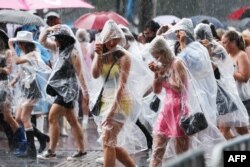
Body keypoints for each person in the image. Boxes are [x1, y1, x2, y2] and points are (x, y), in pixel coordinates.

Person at [37, 24, 89, 160]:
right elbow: (42, 41)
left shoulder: (73, 53)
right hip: (60, 90)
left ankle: (51, 151)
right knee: (72, 121)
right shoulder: (58, 49)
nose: (55, 41)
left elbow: (80, 74)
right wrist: (48, 30)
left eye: (58, 38)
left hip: (67, 91)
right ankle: (82, 150)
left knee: (52, 117)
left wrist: (85, 92)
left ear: (64, 39)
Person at [92, 20, 136, 167]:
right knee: (110, 141)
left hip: (121, 101)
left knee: (108, 140)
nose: (113, 41)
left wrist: (112, 111)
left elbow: (121, 85)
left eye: (116, 38)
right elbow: (95, 74)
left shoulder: (124, 56)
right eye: (110, 37)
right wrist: (98, 55)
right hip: (106, 99)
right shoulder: (102, 52)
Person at [194, 23, 249, 139]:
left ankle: (226, 155)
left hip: (226, 95)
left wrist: (208, 51)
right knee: (237, 128)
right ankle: (234, 150)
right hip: (220, 95)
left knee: (226, 129)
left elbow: (208, 69)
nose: (223, 44)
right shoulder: (207, 48)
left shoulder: (217, 49)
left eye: (225, 42)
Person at [148, 36, 189, 167]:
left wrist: (164, 78)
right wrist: (155, 74)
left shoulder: (177, 63)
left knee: (181, 150)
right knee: (157, 148)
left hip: (179, 108)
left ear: (164, 52)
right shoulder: (161, 66)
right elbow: (156, 90)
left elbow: (180, 87)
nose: (156, 59)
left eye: (157, 56)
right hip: (166, 108)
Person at [8, 31, 50, 158]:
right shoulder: (25, 53)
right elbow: (22, 69)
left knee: (25, 118)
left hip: (33, 90)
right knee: (19, 118)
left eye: (19, 43)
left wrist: (10, 46)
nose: (18, 45)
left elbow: (17, 61)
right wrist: (15, 80)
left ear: (24, 44)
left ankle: (31, 150)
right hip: (25, 90)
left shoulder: (33, 54)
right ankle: (42, 137)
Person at [0, 29, 26, 152]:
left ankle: (23, 141)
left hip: (4, 86)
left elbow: (8, 70)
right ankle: (18, 141)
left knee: (8, 117)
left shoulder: (8, 52)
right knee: (6, 117)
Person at [221, 30, 250, 117]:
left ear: (233, 43)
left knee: (245, 127)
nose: (222, 45)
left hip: (243, 98)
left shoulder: (241, 55)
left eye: (225, 43)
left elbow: (245, 77)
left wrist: (229, 72)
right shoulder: (228, 56)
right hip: (232, 97)